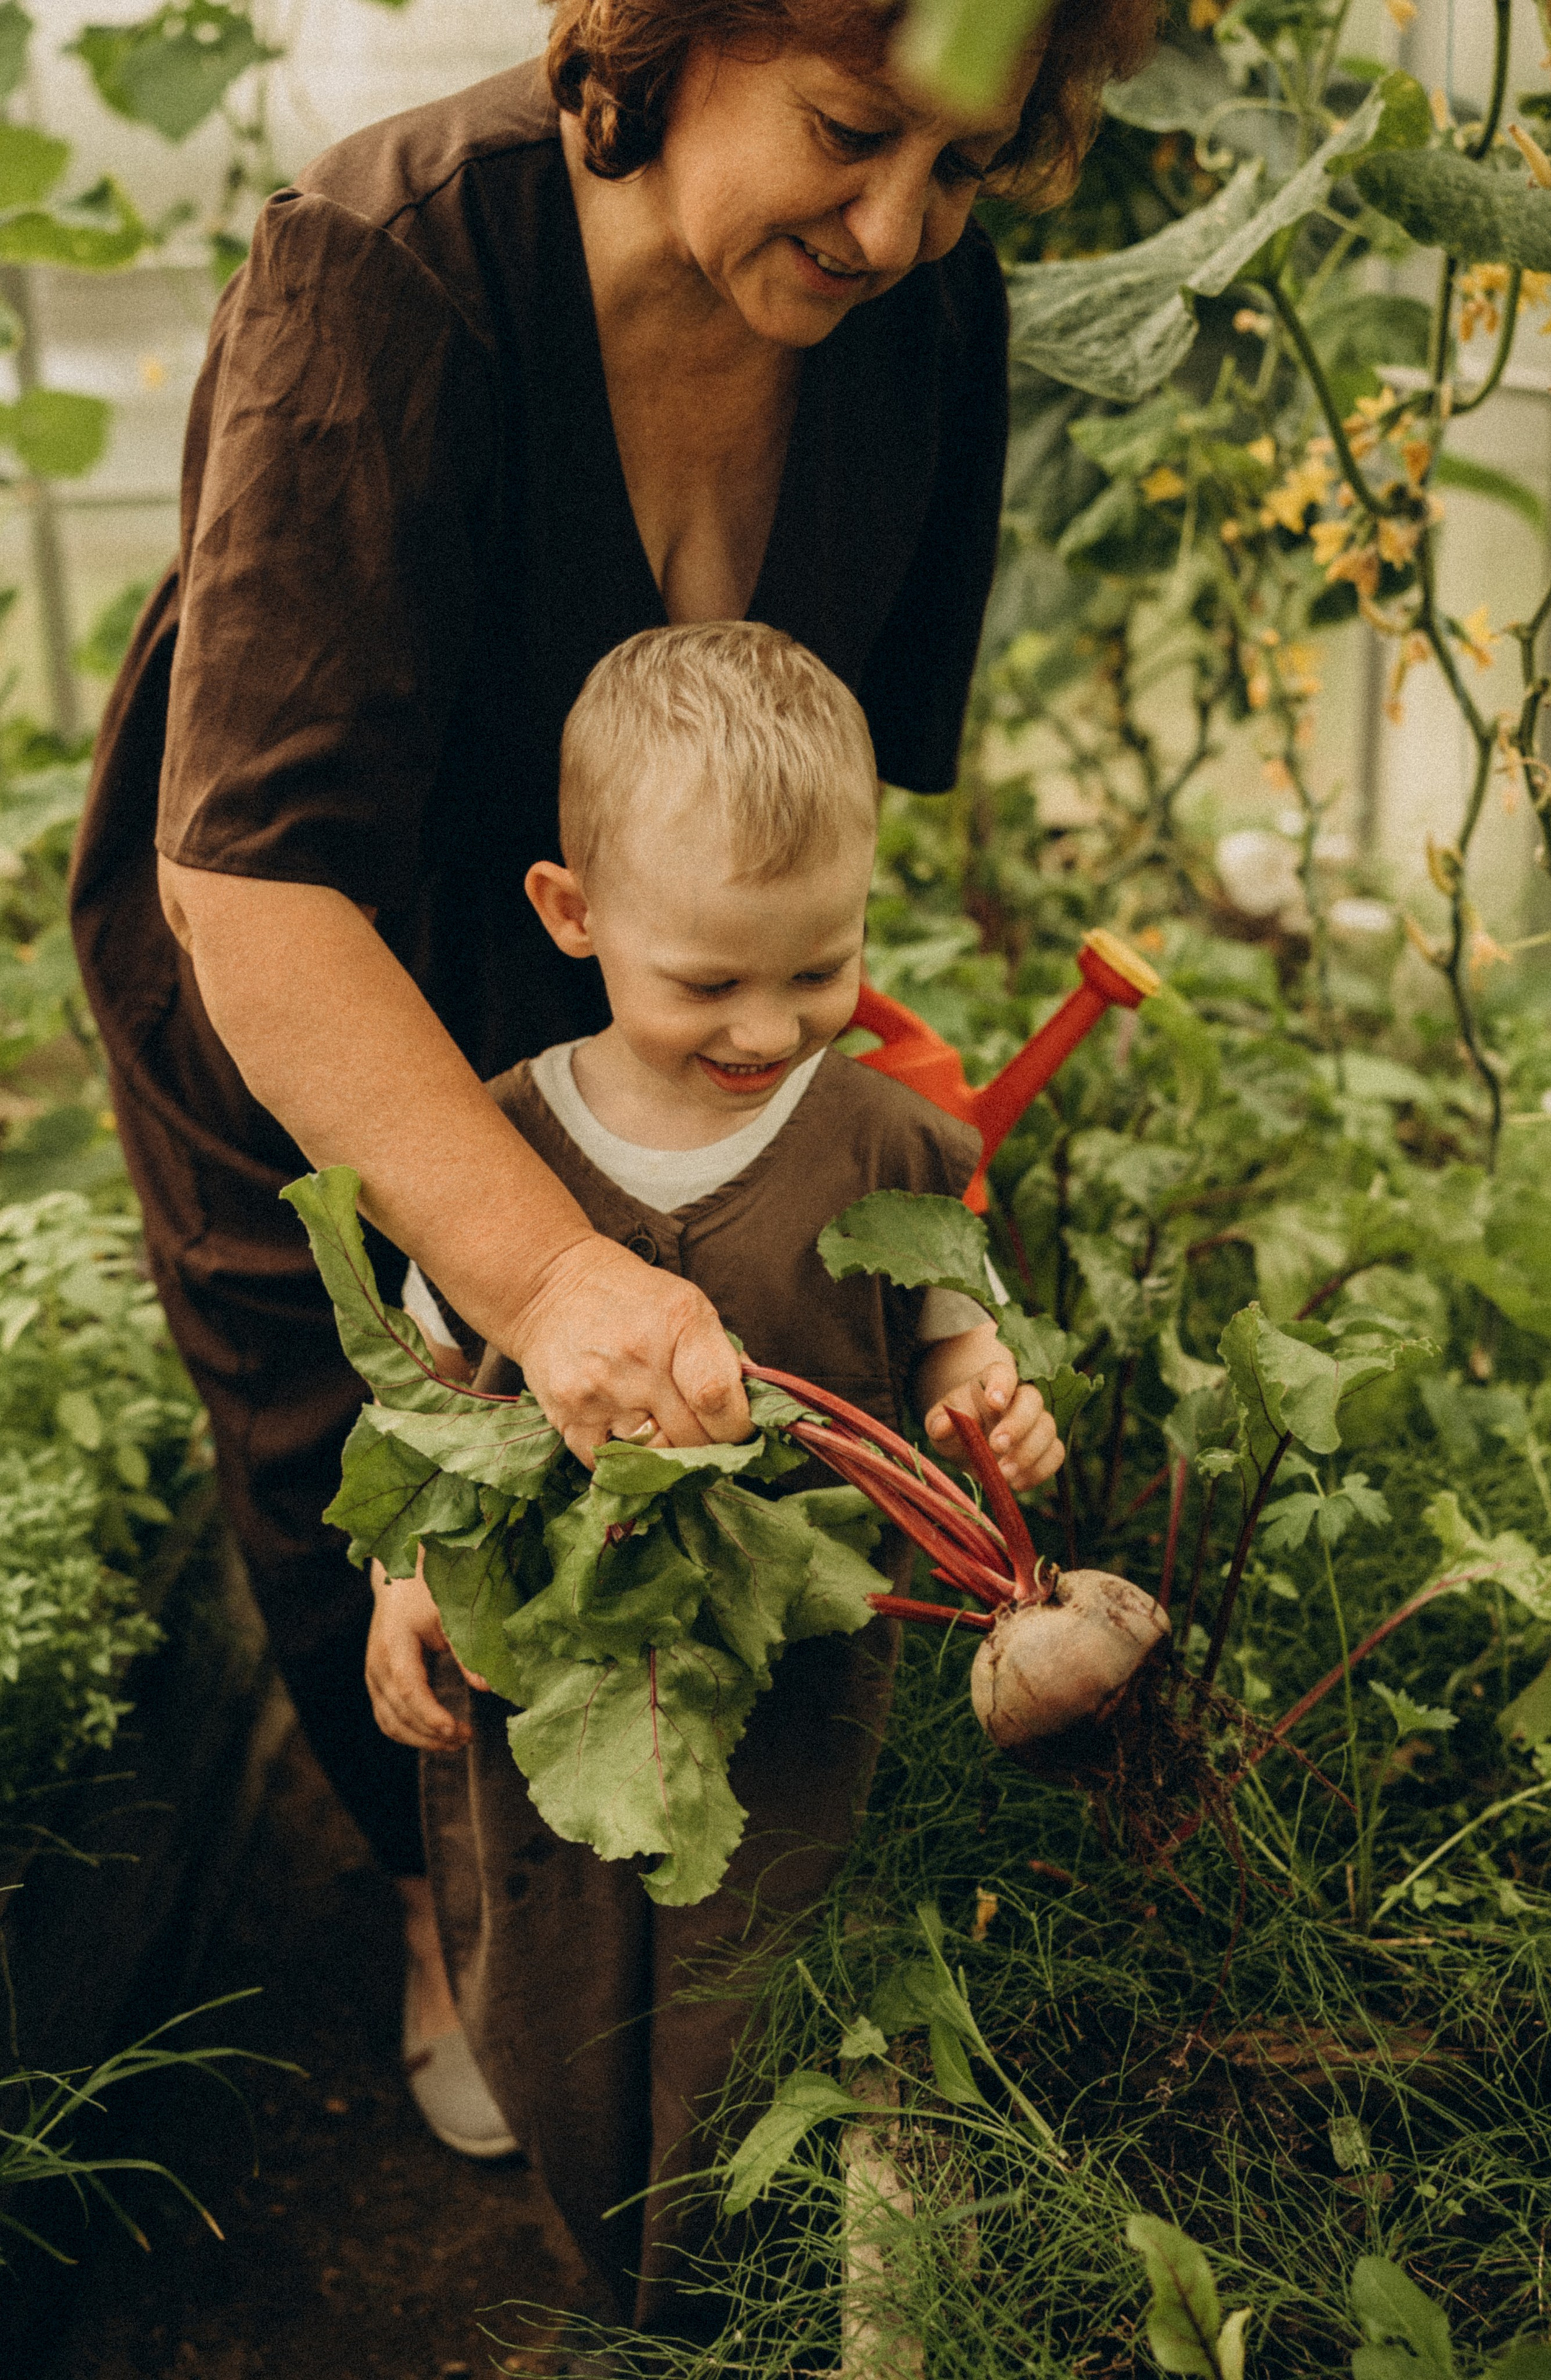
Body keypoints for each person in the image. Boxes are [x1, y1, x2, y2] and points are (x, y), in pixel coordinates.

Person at [68, 0, 1155, 2150]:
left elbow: (825, 777)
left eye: (959, 168)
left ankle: (676, 1917)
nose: (897, 228)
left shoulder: (927, 324)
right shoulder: (388, 269)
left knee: (671, 1464)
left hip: (652, 981)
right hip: (328, 973)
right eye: (847, 131)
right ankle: (436, 1903)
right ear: (673, 32)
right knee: (373, 1446)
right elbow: (259, 891)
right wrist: (550, 1268)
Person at [378, 622, 1064, 2341]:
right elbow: (423, 1403)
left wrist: (993, 1406)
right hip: (556, 1683)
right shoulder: (491, 1154)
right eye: (707, 984)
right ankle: (609, 2274)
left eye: (821, 967)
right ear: (572, 914)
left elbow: (955, 1342)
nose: (770, 1025)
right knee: (549, 1988)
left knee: (762, 1993)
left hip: (803, 1691)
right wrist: (400, 1579)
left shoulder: (890, 1148)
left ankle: (727, 2307)